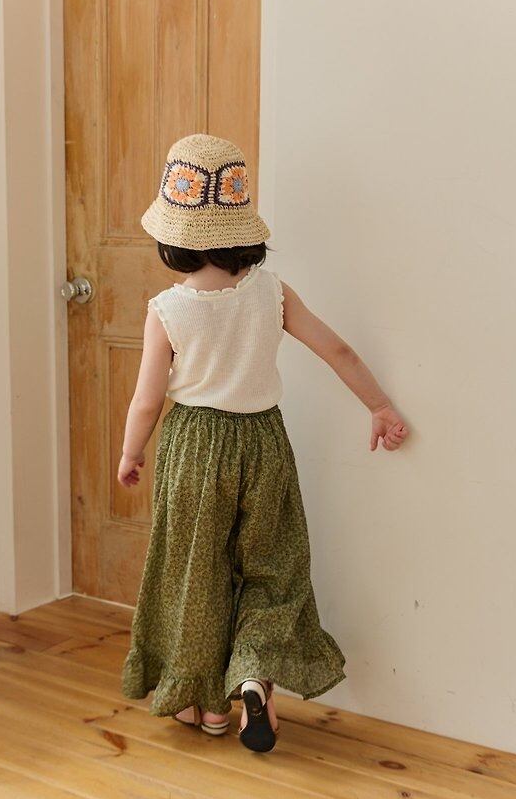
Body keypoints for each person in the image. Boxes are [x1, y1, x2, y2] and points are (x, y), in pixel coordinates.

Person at [119, 134, 408, 753]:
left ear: (172, 238)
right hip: (263, 440)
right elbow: (337, 349)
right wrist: (380, 406)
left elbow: (147, 400)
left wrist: (131, 453)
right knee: (272, 567)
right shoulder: (271, 291)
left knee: (194, 574)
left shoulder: (167, 308)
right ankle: (252, 674)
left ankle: (205, 708)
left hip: (194, 446)